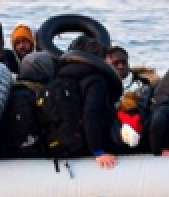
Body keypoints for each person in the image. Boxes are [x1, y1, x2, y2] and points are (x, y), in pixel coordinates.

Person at [52, 37, 123, 169]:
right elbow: (91, 113)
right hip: (86, 145)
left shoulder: (60, 77)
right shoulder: (96, 81)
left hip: (62, 144)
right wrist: (98, 151)